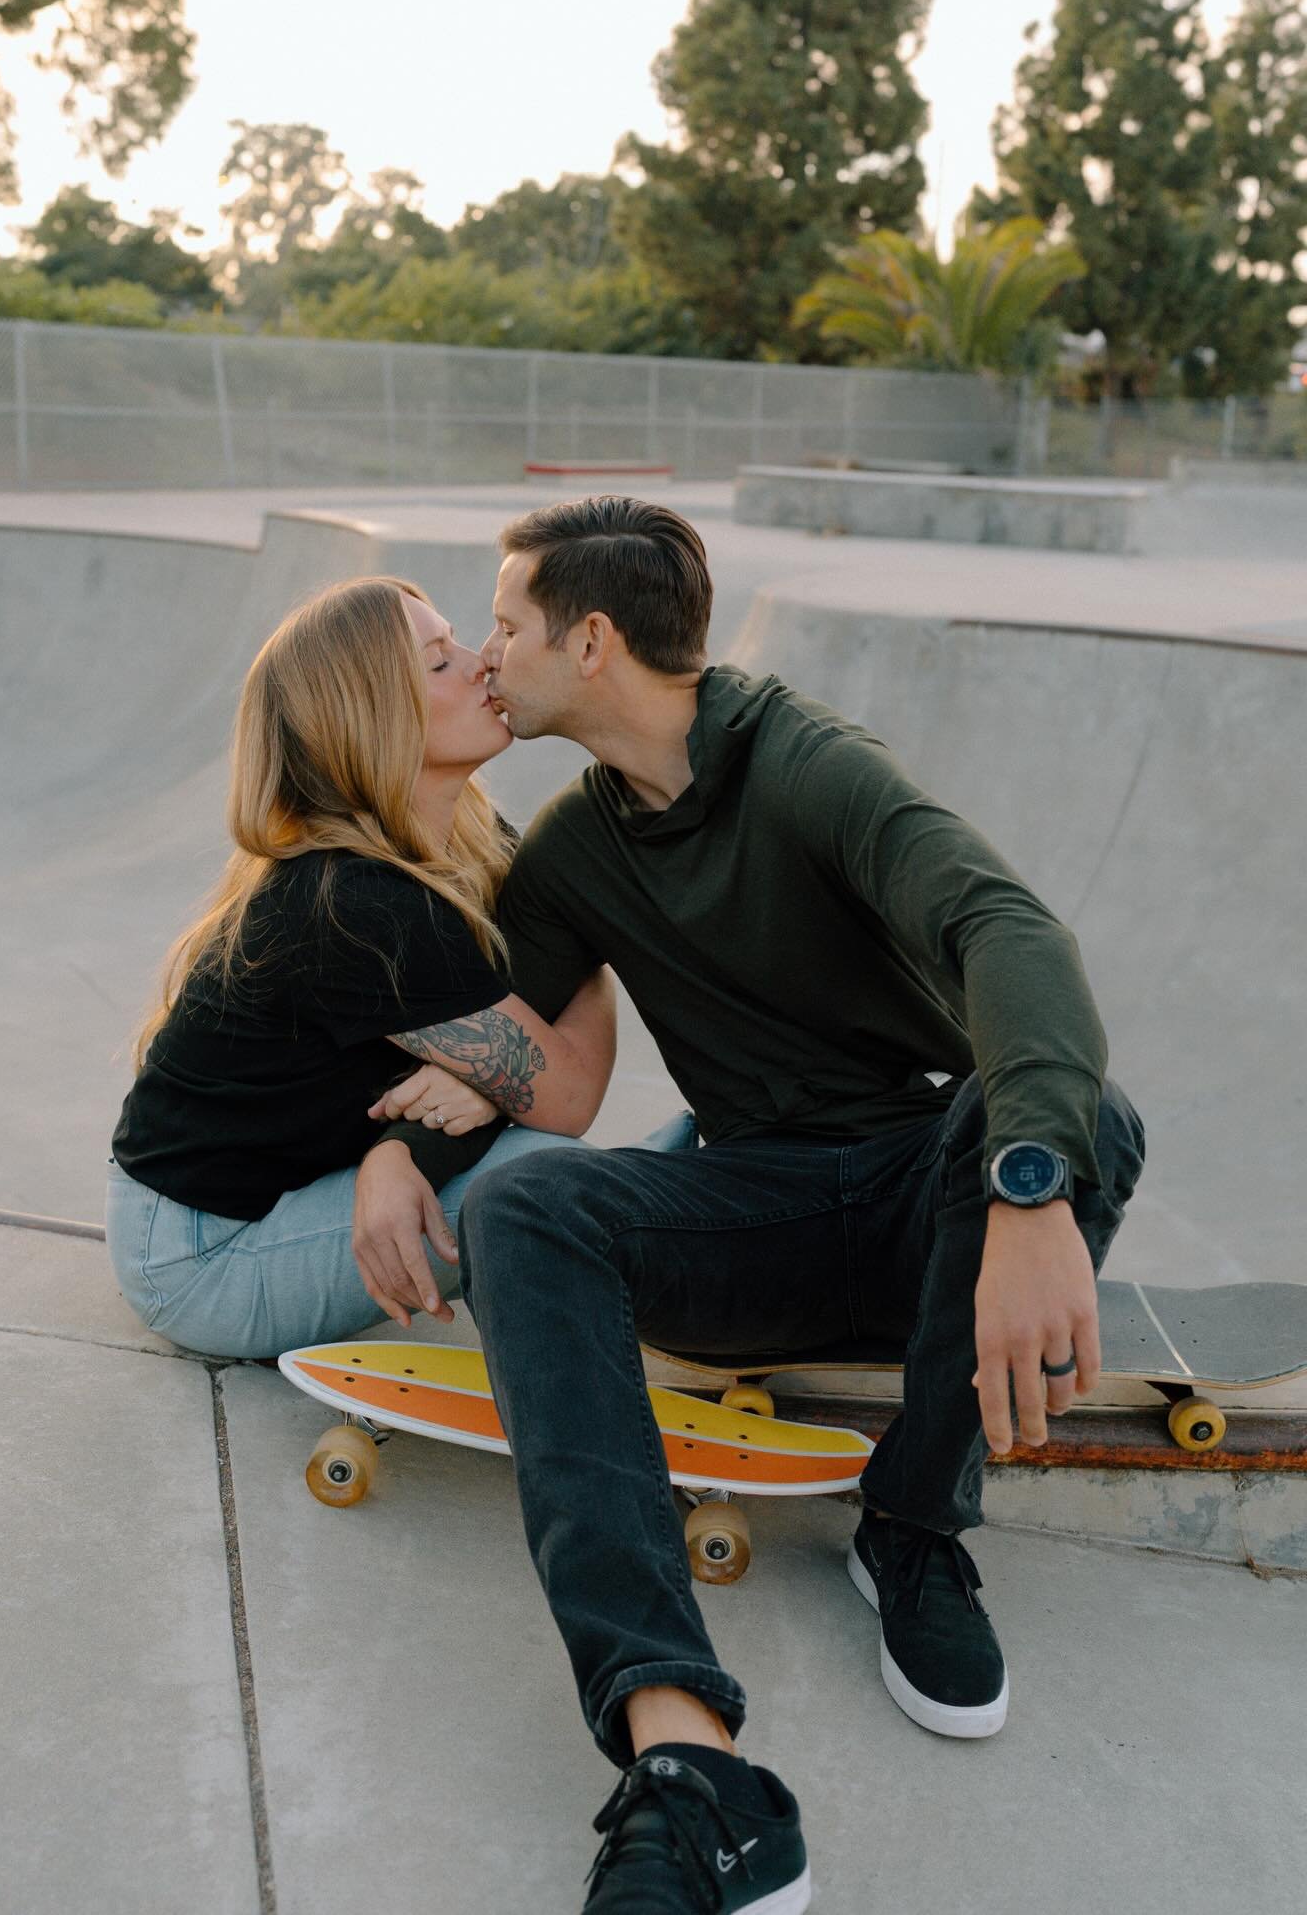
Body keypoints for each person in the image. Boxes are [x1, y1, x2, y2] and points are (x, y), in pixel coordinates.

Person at [363, 497, 1146, 1915]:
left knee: (1087, 1114)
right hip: (755, 1215)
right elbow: (497, 1029)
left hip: (923, 1195)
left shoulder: (808, 766)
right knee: (530, 1210)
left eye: (507, 624)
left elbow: (1009, 927)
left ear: (591, 643)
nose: (486, 652)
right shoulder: (575, 851)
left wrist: (1027, 1187)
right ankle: (685, 1755)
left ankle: (913, 1526)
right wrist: (388, 1155)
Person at [104, 575, 616, 1360]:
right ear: (373, 719)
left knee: (577, 1178)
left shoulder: (469, 836)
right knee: (550, 1187)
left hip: (277, 1193)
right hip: (203, 1256)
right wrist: (569, 965)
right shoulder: (356, 905)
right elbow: (568, 1093)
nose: (481, 660)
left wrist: (464, 1098)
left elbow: (545, 1007)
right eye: (439, 661)